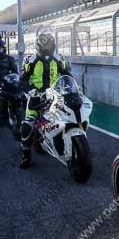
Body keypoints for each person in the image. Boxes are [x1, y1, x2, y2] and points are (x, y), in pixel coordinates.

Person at [18, 32, 71, 168]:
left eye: (49, 45)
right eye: (44, 45)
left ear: (53, 45)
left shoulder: (60, 59)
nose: (47, 48)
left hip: (55, 95)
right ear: (38, 45)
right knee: (29, 122)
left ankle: (72, 142)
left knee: (69, 115)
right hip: (36, 96)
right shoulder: (30, 60)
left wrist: (72, 87)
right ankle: (26, 153)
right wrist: (31, 90)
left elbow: (68, 76)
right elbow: (22, 80)